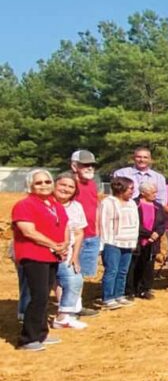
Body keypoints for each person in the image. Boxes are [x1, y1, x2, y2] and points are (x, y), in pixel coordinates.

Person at [12, 169, 68, 351]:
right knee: (38, 296)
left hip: (51, 255)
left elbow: (65, 225)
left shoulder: (54, 204)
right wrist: (54, 244)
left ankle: (41, 333)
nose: (44, 185)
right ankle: (28, 338)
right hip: (33, 255)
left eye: (47, 181)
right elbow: (28, 231)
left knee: (44, 296)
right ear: (30, 186)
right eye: (39, 183)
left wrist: (64, 244)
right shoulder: (24, 205)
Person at [51, 172, 88, 329]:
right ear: (55, 184)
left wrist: (75, 256)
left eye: (70, 187)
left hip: (66, 252)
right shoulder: (45, 203)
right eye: (63, 184)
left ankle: (63, 316)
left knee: (74, 280)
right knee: (37, 286)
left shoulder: (76, 206)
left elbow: (79, 233)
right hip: (43, 251)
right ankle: (25, 316)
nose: (66, 189)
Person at [97, 176, 139, 309]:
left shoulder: (132, 203)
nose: (132, 191)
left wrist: (134, 242)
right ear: (121, 188)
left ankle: (119, 295)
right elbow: (103, 223)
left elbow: (136, 223)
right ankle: (108, 297)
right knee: (112, 270)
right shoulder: (108, 202)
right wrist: (103, 244)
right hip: (112, 242)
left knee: (123, 271)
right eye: (130, 188)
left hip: (128, 242)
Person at [127, 182, 167, 300]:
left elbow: (162, 223)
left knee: (148, 266)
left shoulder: (158, 206)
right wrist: (148, 234)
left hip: (152, 242)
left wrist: (156, 234)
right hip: (137, 240)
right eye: (153, 192)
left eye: (156, 191)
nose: (155, 194)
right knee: (133, 266)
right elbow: (134, 223)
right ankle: (130, 290)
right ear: (143, 193)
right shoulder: (134, 204)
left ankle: (145, 289)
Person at [69, 150, 101, 296]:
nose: (90, 168)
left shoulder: (92, 184)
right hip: (74, 237)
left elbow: (97, 206)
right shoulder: (68, 185)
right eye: (85, 165)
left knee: (81, 274)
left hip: (91, 236)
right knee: (70, 273)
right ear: (74, 166)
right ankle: (69, 307)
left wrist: (98, 232)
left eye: (92, 165)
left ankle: (76, 304)